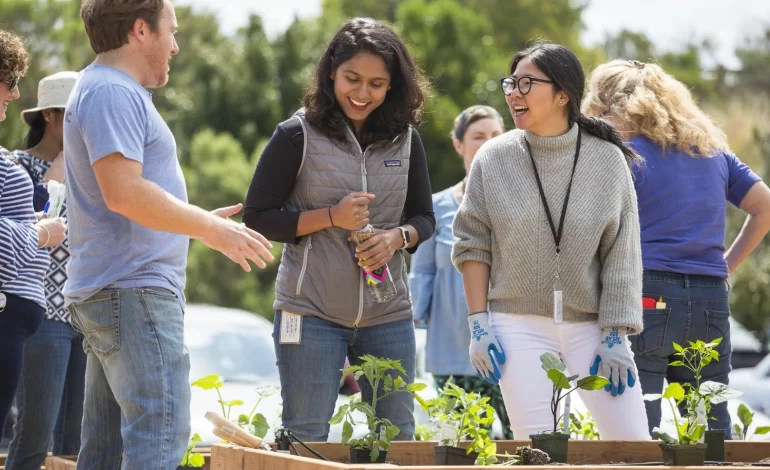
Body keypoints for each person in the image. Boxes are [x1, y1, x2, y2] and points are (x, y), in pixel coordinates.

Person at [64, 1, 274, 468]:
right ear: (141, 30)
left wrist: (194, 223)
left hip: (116, 292)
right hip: (133, 294)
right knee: (158, 439)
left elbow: (125, 199)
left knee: (105, 452)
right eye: (171, 32)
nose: (176, 46)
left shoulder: (104, 88)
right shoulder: (112, 92)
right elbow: (123, 193)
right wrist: (210, 227)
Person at [243, 17, 435, 442]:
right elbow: (257, 215)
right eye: (352, 79)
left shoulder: (406, 139)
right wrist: (332, 216)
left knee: (397, 437)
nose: (362, 94)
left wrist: (397, 238)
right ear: (331, 71)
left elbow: (425, 218)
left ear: (393, 87)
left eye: (377, 84)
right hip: (309, 312)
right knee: (306, 435)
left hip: (388, 315)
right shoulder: (296, 135)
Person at [451, 42, 650, 440]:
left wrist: (614, 336)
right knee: (538, 450)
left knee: (634, 447)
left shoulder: (607, 160)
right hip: (516, 326)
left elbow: (622, 254)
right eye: (511, 83)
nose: (513, 93)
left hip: (594, 328)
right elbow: (473, 243)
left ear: (563, 94)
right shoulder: (492, 158)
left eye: (527, 83)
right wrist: (478, 325)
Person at [583, 59, 770, 438]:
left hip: (645, 296)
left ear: (612, 108)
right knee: (710, 426)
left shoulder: (622, 155)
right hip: (710, 300)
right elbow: (764, 206)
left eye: (598, 112)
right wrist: (725, 267)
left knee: (637, 426)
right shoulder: (712, 153)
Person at [409, 105, 513, 438]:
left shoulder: (522, 203)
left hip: (511, 350)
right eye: (478, 136)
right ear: (459, 145)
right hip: (452, 351)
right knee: (465, 447)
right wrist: (413, 317)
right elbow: (422, 272)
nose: (487, 142)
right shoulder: (436, 206)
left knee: (524, 444)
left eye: (496, 136)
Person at [6, 71, 85, 470]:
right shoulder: (16, 167)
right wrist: (56, 176)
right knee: (35, 432)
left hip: (86, 315)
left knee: (78, 440)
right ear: (52, 116)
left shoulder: (95, 171)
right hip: (41, 315)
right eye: (76, 114)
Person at [0, 30, 68, 443]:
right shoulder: (19, 162)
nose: (14, 92)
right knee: (34, 438)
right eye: (9, 82)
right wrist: (41, 232)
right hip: (14, 315)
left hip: (25, 317)